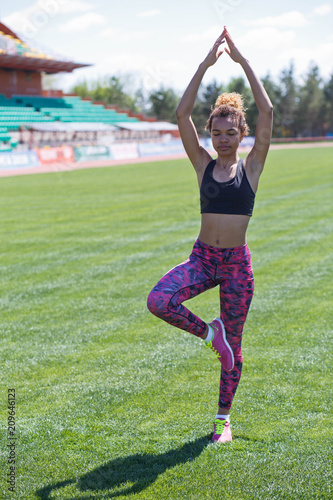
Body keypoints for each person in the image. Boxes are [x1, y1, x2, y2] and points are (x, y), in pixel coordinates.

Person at [147, 26, 273, 443]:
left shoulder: (251, 168)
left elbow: (268, 112)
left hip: (237, 265)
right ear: (211, 134)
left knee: (234, 348)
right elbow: (181, 115)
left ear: (242, 135)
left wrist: (243, 62)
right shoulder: (202, 164)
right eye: (217, 132)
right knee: (158, 300)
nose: (222, 139)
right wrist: (204, 65)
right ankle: (208, 334)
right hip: (203, 259)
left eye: (231, 132)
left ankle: (223, 421)